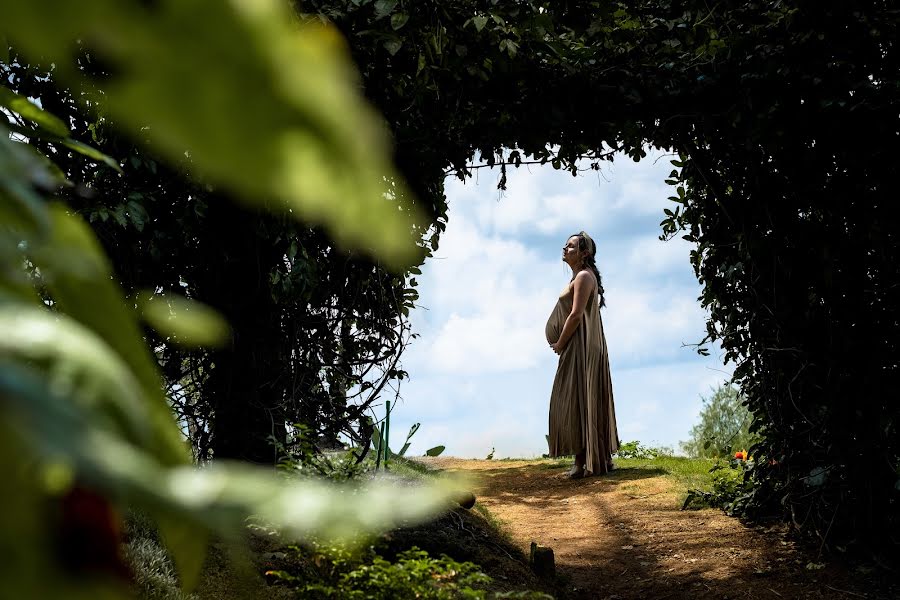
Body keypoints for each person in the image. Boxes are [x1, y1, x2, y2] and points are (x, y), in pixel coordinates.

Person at [545, 231, 619, 478]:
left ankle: (582, 461)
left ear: (584, 253)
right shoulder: (580, 277)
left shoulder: (584, 277)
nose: (565, 249)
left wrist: (560, 343)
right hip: (580, 344)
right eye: (565, 245)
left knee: (575, 397)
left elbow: (576, 314)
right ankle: (597, 458)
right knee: (581, 396)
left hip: (581, 346)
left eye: (571, 246)